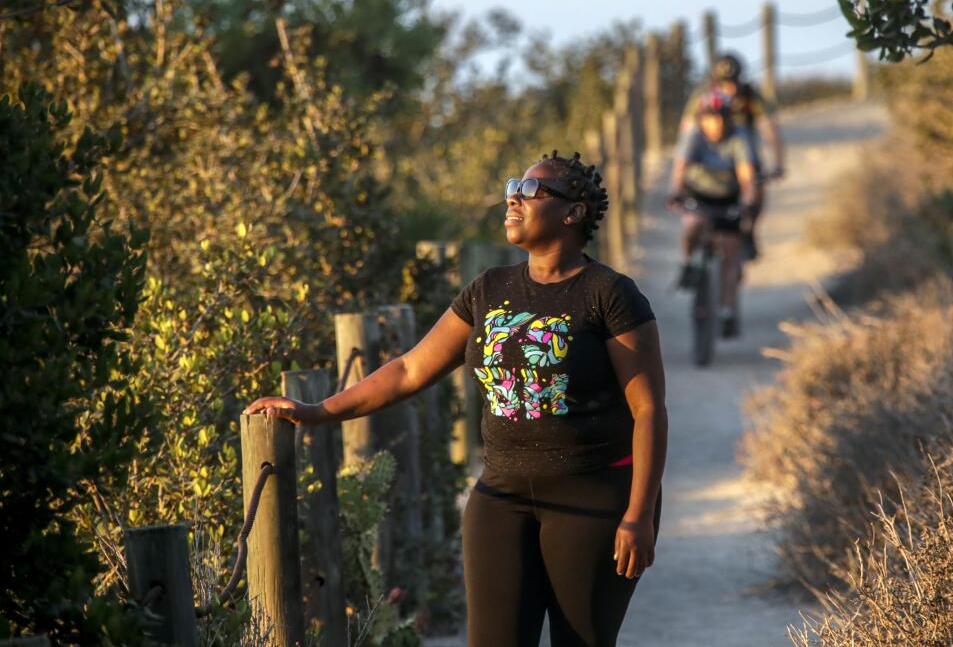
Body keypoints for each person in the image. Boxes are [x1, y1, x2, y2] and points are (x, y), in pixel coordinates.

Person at [243, 151, 668, 647]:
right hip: (500, 498)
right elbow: (409, 370)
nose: (513, 197)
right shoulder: (489, 289)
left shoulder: (610, 295)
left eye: (531, 191)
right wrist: (317, 412)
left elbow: (649, 410)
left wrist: (638, 515)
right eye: (512, 185)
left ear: (572, 213)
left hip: (594, 500)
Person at [668, 93, 759, 338]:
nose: (715, 124)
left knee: (730, 253)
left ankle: (728, 310)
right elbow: (680, 169)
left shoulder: (740, 137)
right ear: (701, 119)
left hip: (728, 197)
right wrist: (675, 193)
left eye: (720, 118)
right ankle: (688, 264)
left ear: (729, 120)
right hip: (697, 195)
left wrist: (748, 202)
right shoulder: (693, 137)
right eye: (709, 118)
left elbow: (747, 177)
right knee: (692, 226)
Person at [678, 52, 785, 259]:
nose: (731, 89)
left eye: (734, 83)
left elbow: (770, 130)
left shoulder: (751, 97)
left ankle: (750, 231)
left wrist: (778, 163)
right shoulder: (703, 97)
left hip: (745, 156)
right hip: (709, 157)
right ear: (714, 82)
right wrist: (685, 161)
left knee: (756, 186)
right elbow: (687, 131)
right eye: (725, 84)